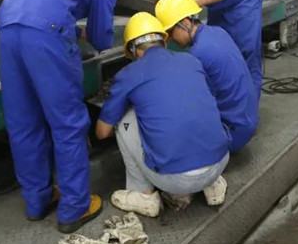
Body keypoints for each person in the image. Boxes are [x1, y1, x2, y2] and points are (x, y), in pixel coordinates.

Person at [0, 0, 117, 233]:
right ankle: (75, 208)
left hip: (7, 31)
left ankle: (37, 201)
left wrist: (72, 31)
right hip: (46, 36)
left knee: (24, 123)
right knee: (68, 123)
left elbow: (38, 13)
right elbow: (101, 37)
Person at [96, 13, 230, 217]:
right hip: (220, 162)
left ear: (132, 50)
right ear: (164, 42)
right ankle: (212, 186)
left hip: (176, 180)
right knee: (193, 104)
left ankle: (144, 195)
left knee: (124, 119)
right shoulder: (191, 60)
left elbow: (102, 132)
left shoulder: (129, 74)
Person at [154, 0, 258, 152]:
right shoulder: (218, 32)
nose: (172, 39)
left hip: (231, 133)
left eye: (171, 32)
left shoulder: (198, 55)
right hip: (247, 121)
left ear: (185, 23)